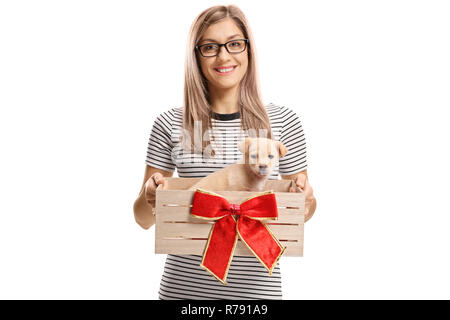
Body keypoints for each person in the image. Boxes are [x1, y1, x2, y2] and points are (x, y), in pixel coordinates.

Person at [133, 4, 316, 300]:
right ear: (196, 56)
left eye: (234, 43)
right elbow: (142, 219)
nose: (224, 56)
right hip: (183, 294)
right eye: (209, 47)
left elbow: (303, 212)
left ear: (248, 50)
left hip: (259, 297)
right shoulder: (169, 123)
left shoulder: (284, 121)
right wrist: (151, 196)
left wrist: (306, 199)